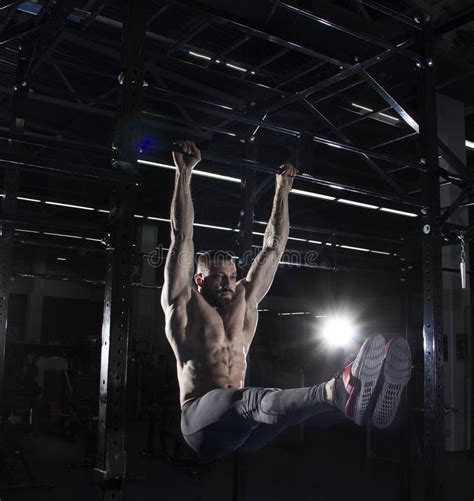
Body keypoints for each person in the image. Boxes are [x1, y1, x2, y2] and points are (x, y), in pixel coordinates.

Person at [161, 140, 412, 459]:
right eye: (218, 278)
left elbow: (273, 249)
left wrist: (282, 190)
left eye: (232, 276)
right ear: (199, 280)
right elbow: (182, 236)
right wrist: (183, 172)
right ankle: (337, 390)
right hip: (201, 424)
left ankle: (363, 398)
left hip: (244, 429)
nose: (228, 283)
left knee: (271, 404)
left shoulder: (244, 302)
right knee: (253, 400)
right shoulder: (183, 304)